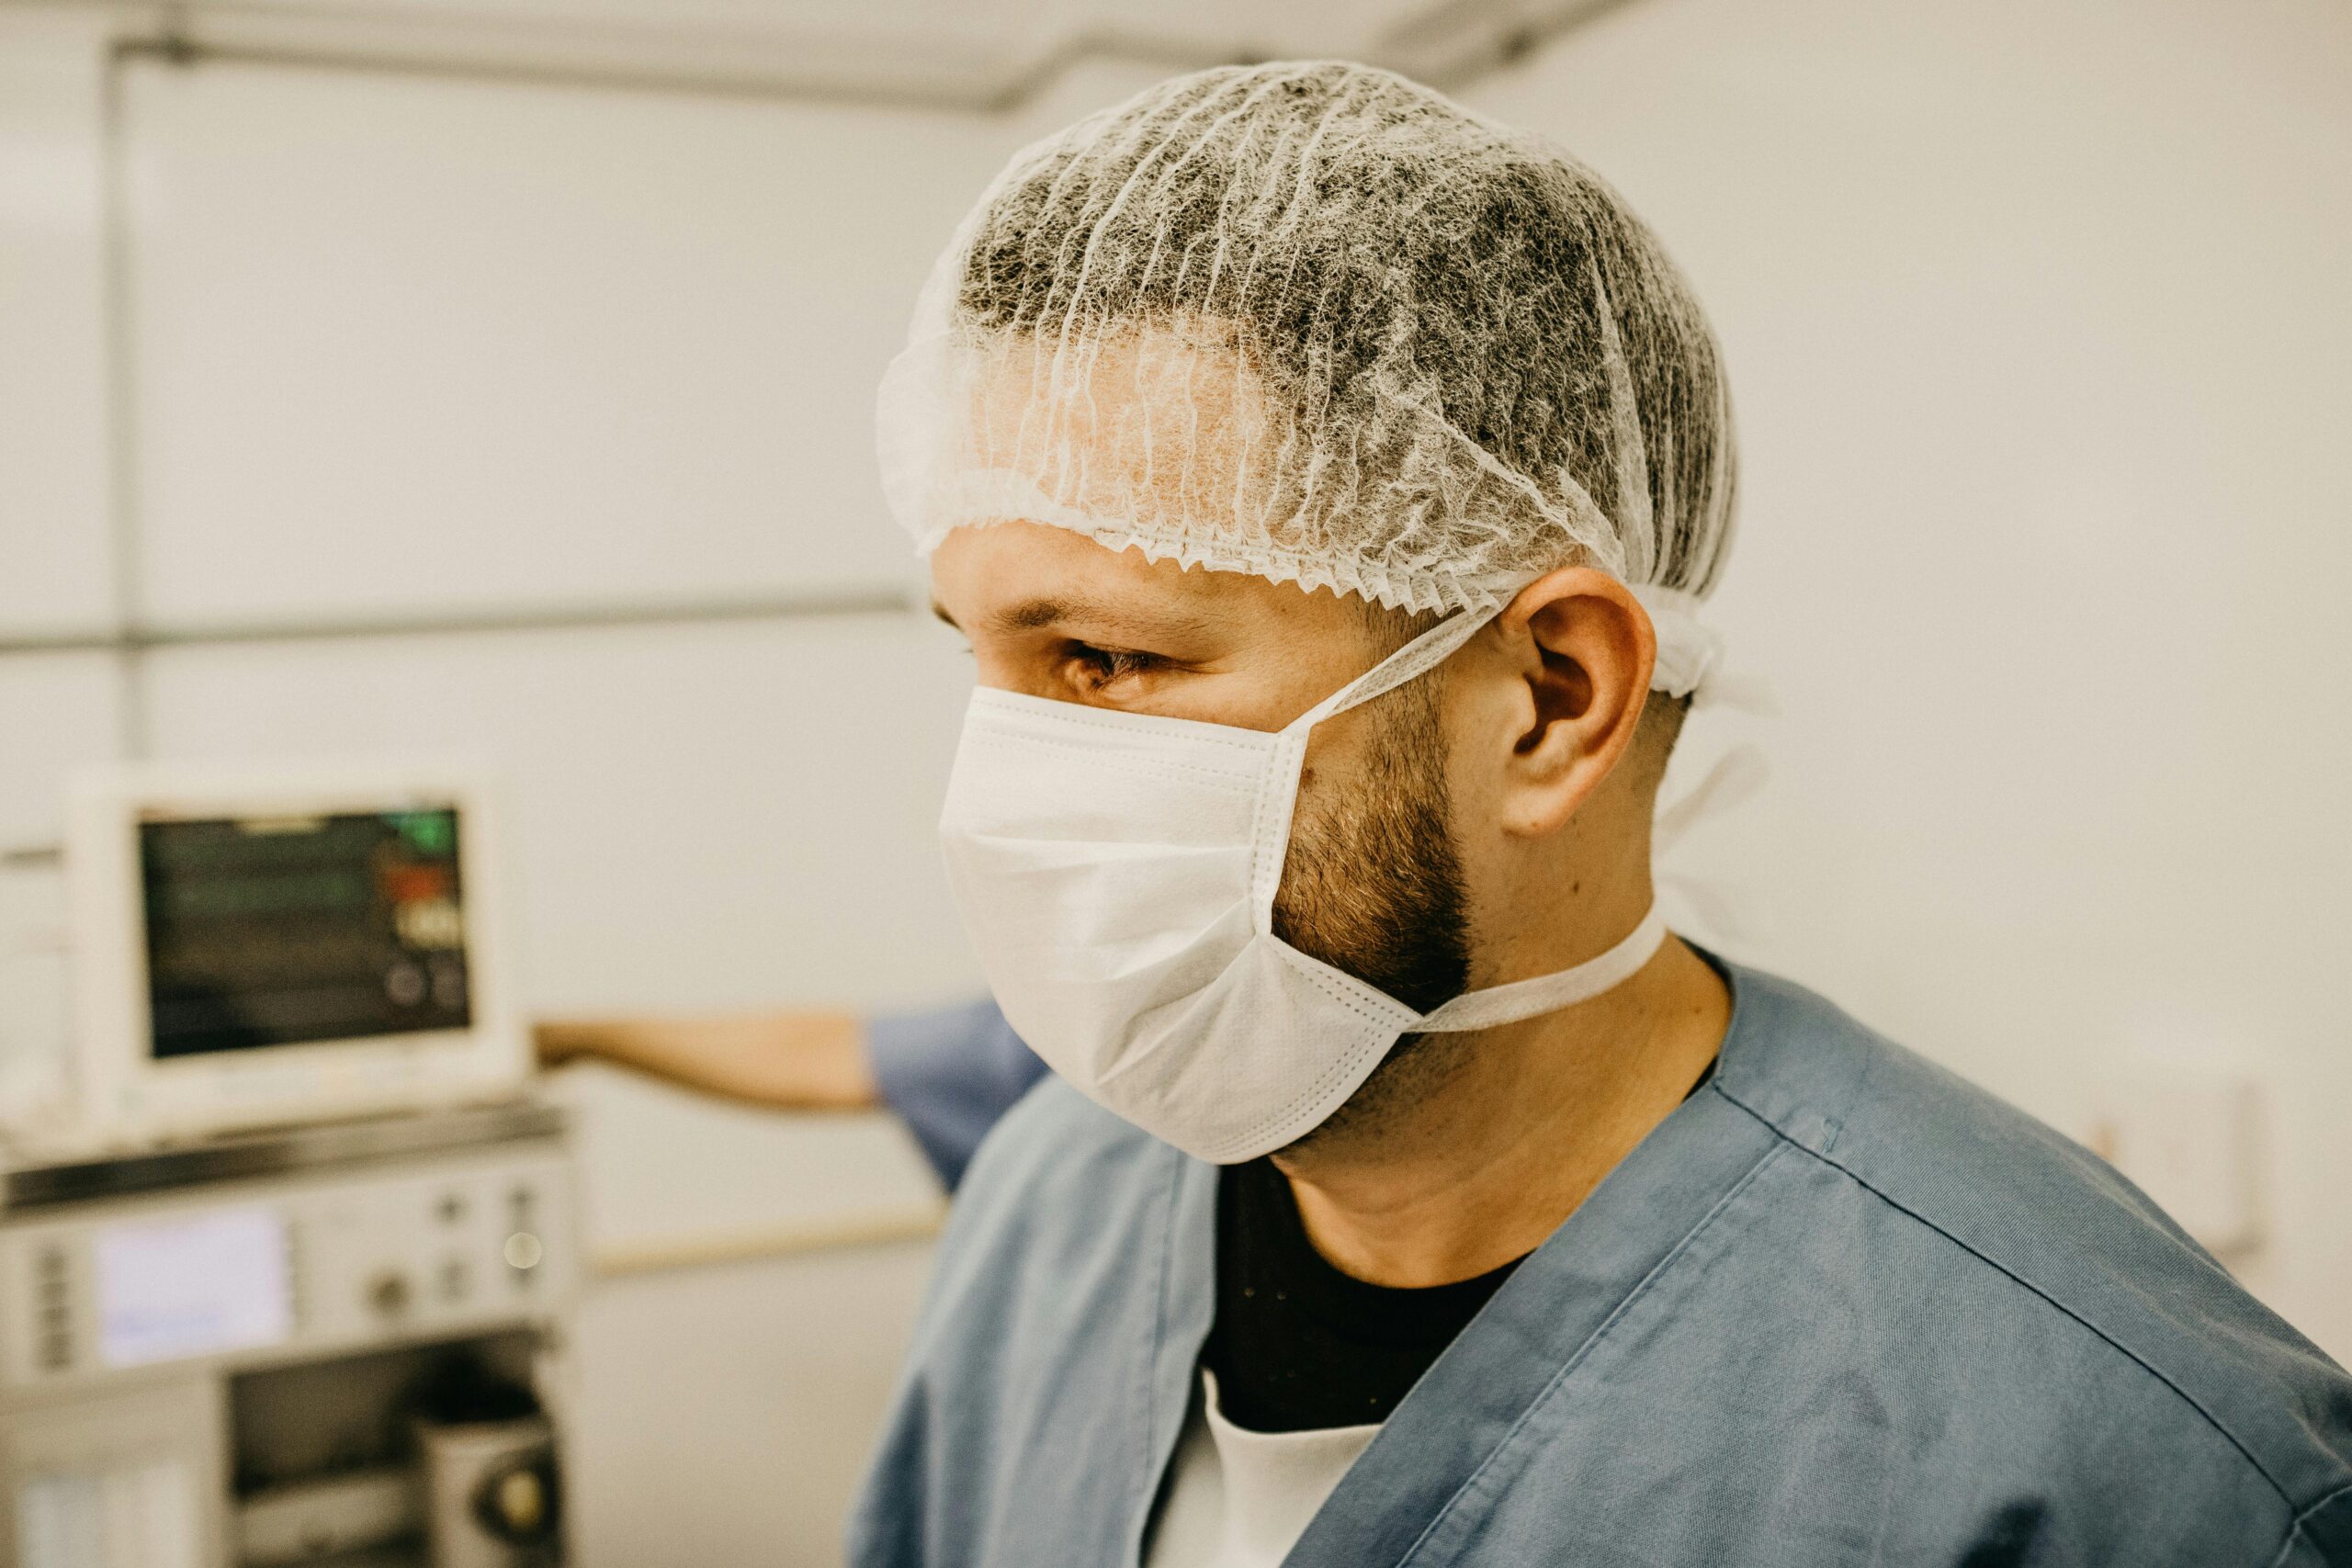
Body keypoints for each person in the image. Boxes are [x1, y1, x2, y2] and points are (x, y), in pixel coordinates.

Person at [845, 61, 2352, 1567]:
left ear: (1554, 698)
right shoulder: (1051, 1214)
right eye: (983, 662)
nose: (1002, 777)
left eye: (1101, 658)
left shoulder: (2121, 1464)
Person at [533, 998, 1042, 1190]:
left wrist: (578, 1040)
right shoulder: (1046, 1037)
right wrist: (573, 1040)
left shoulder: (1073, 1053)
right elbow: (834, 1058)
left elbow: (827, 1064)